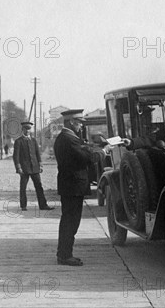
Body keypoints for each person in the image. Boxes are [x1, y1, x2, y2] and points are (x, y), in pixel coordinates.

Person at [54, 109, 107, 266]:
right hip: (72, 186)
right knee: (70, 222)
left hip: (70, 185)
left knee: (69, 221)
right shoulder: (69, 139)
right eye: (79, 123)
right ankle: (64, 255)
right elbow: (88, 158)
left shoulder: (67, 138)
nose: (81, 126)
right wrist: (103, 152)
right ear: (71, 122)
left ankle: (64, 253)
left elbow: (83, 151)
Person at [13, 122, 54, 211]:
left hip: (35, 168)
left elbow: (37, 154)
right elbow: (16, 156)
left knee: (39, 187)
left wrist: (40, 165)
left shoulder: (34, 140)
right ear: (22, 129)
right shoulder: (18, 141)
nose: (28, 131)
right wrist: (18, 168)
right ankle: (23, 206)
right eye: (26, 129)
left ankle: (43, 205)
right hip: (24, 169)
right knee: (23, 187)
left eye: (29, 129)